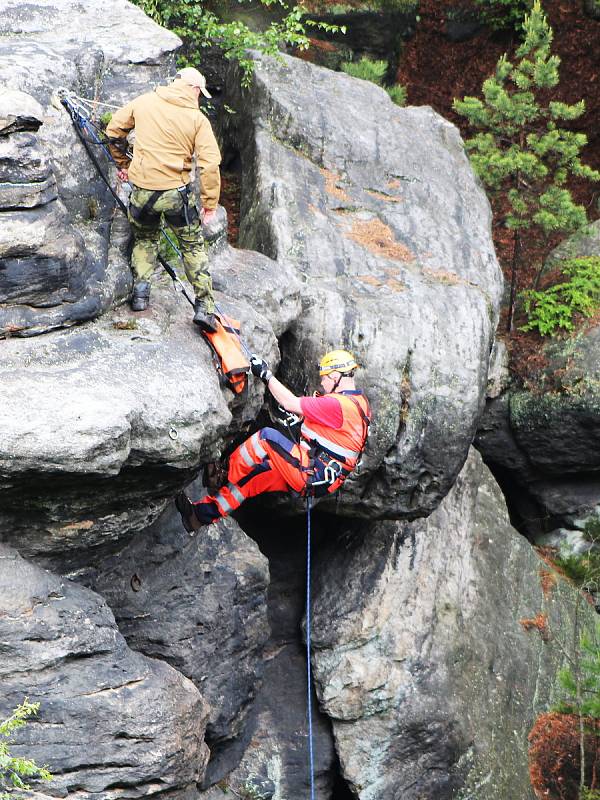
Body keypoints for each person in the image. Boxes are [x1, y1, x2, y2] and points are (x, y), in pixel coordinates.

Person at [175, 349, 372, 531]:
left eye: (325, 378)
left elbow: (289, 402)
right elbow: (336, 434)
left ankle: (222, 474)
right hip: (321, 476)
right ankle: (199, 516)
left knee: (266, 438)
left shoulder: (338, 404)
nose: (322, 383)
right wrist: (301, 423)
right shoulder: (360, 404)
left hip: (311, 472)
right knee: (253, 478)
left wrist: (265, 374)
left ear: (336, 376)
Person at [105, 67, 221, 332]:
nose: (200, 98)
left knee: (145, 239)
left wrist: (123, 163)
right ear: (193, 89)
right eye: (199, 93)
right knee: (191, 247)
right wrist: (210, 203)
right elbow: (210, 164)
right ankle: (204, 308)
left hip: (142, 192)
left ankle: (141, 295)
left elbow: (113, 132)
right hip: (175, 195)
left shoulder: (144, 102)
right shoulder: (197, 120)